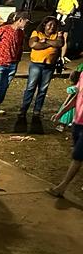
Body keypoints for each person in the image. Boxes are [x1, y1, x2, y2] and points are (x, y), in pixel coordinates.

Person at [15, 16, 64, 133]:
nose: (52, 27)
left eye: (54, 25)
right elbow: (33, 45)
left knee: (43, 89)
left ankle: (37, 111)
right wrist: (51, 44)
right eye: (50, 24)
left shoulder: (58, 35)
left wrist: (45, 41)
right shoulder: (36, 33)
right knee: (31, 87)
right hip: (36, 64)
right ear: (44, 25)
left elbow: (59, 44)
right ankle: (23, 110)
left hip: (49, 66)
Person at [0, 12, 29, 117]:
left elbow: (20, 46)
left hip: (12, 63)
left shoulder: (20, 33)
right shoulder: (4, 29)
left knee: (4, 86)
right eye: (26, 21)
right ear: (20, 20)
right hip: (0, 62)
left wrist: (17, 59)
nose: (27, 24)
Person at [48, 68, 83, 198]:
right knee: (78, 155)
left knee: (77, 156)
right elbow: (77, 97)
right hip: (78, 122)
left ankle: (61, 187)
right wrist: (61, 112)